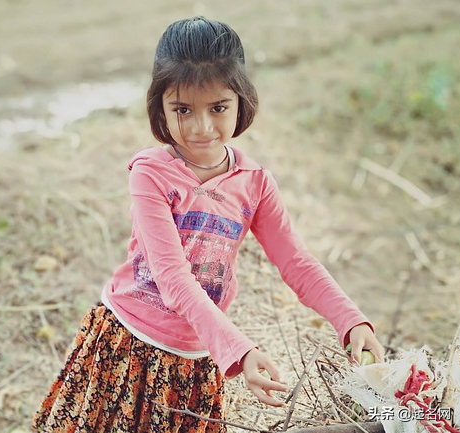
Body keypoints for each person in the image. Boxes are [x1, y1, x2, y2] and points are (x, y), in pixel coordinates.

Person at [32, 16, 385, 433]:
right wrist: (240, 348)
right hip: (129, 347)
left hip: (200, 359)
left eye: (218, 108)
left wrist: (350, 320)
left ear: (242, 101)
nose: (202, 128)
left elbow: (296, 262)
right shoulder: (150, 173)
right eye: (182, 110)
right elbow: (172, 277)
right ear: (159, 107)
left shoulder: (253, 183)